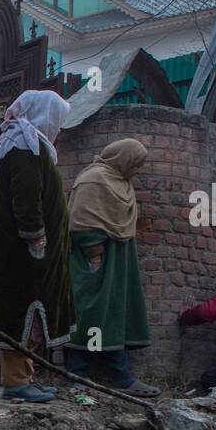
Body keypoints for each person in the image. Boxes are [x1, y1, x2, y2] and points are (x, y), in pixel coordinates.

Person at [0, 89, 75, 403]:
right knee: (21, 313)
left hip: (23, 251)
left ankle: (25, 377)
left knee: (31, 316)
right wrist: (35, 239)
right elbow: (27, 199)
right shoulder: (23, 147)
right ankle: (16, 382)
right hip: (20, 252)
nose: (58, 128)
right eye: (57, 120)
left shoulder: (28, 143)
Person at [63, 138, 161, 398]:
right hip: (93, 262)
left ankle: (123, 377)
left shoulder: (121, 182)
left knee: (114, 314)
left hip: (116, 260)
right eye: (136, 163)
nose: (138, 170)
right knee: (88, 314)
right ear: (124, 158)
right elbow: (81, 220)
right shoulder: (94, 179)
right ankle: (77, 376)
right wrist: (94, 254)